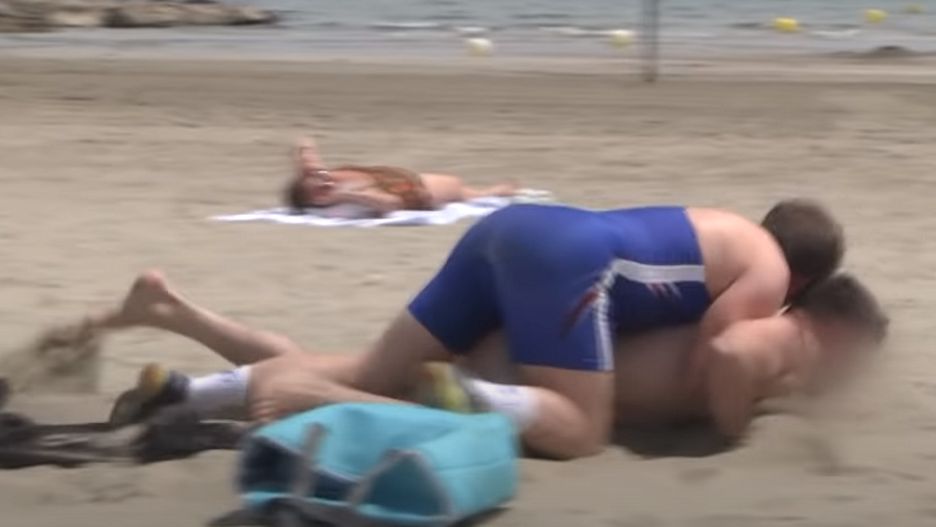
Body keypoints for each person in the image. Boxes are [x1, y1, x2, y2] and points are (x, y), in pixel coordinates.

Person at [75, 198, 844, 459]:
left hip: (509, 229)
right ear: (805, 281)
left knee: (370, 370)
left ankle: (195, 390)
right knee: (581, 430)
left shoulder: (726, 228)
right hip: (569, 259)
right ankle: (469, 396)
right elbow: (715, 352)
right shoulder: (771, 268)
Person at [102, 272, 885, 456]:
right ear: (839, 331)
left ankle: (189, 382)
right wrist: (734, 426)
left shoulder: (749, 308)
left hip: (535, 339)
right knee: (350, 380)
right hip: (538, 361)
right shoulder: (775, 331)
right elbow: (728, 356)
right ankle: (195, 375)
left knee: (348, 367)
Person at [285, 137, 517, 215]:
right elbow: (391, 204)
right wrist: (346, 195)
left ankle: (488, 193)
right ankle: (490, 193)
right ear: (318, 200)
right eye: (318, 187)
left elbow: (306, 149)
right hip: (417, 192)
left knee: (465, 191)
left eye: (317, 178)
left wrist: (307, 155)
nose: (322, 179)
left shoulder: (319, 180)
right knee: (460, 190)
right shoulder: (343, 195)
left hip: (399, 179)